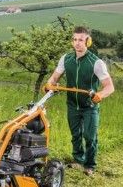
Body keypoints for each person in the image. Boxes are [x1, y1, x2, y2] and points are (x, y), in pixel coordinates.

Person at [45, 26, 115, 176]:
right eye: (75, 40)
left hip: (90, 106)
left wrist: (100, 95)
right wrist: (49, 84)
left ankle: (89, 165)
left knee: (90, 137)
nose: (77, 43)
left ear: (88, 42)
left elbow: (109, 87)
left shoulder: (96, 63)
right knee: (75, 135)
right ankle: (78, 160)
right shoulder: (66, 59)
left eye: (81, 40)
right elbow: (54, 78)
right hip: (72, 105)